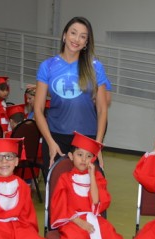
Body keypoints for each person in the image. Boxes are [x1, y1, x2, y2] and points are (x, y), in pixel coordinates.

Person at [50, 131, 126, 239]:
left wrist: (92, 175)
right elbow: (60, 206)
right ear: (71, 156)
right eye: (79, 155)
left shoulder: (97, 177)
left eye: (88, 156)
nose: (84, 159)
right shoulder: (65, 179)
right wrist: (79, 222)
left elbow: (97, 200)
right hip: (72, 220)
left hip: (94, 219)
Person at [34, 16, 108, 177]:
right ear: (64, 35)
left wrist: (98, 145)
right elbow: (38, 109)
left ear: (87, 42)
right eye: (73, 33)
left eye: (83, 36)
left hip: (87, 140)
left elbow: (102, 109)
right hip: (55, 137)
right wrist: (50, 142)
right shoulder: (47, 66)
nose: (77, 39)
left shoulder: (96, 67)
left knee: (87, 194)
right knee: (55, 193)